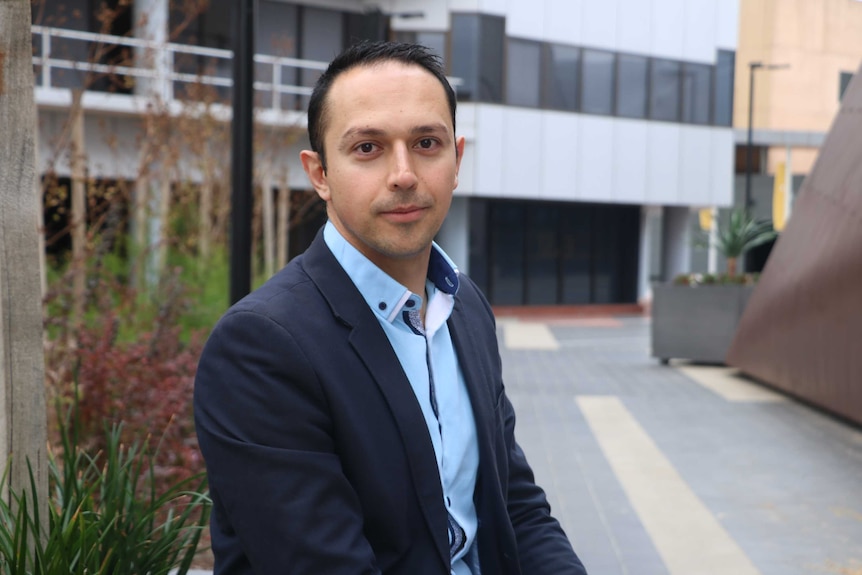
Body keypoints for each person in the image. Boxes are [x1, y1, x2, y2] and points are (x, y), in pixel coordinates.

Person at [194, 40, 588, 575]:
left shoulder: (463, 306)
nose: (403, 173)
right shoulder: (262, 347)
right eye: (367, 148)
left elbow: (516, 507)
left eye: (427, 142)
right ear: (320, 174)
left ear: (457, 161)